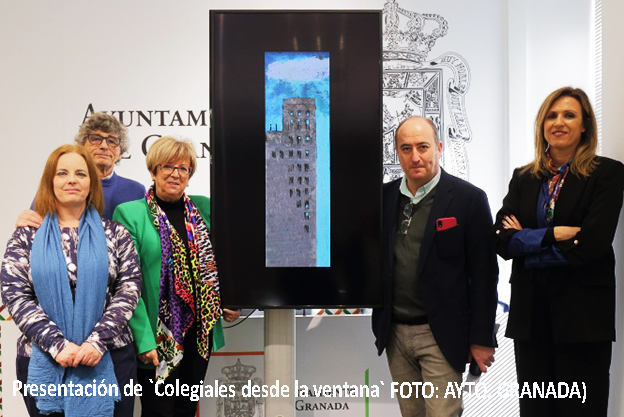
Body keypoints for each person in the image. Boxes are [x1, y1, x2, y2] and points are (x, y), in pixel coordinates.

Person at [493, 87, 624, 416]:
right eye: (551, 115)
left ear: (585, 126)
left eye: (569, 115)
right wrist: (553, 235)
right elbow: (501, 240)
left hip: (582, 318)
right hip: (531, 316)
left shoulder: (606, 174)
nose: (559, 122)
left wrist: (528, 241)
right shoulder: (523, 178)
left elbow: (591, 246)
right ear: (541, 124)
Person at [1, 145, 141, 416]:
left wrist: (96, 341)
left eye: (81, 173)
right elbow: (15, 295)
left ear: (92, 183)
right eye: (62, 173)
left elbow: (129, 288)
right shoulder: (26, 236)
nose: (72, 180)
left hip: (109, 354)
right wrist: (57, 344)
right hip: (43, 356)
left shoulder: (115, 234)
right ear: (49, 182)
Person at [372, 116, 499, 416]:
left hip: (442, 333)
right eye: (406, 148)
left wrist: (481, 338)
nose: (415, 156)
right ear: (397, 153)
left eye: (423, 147)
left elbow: (484, 275)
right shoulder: (383, 198)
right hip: (395, 333)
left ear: (439, 148)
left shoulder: (469, 200)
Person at [113, 136, 240, 417]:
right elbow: (125, 284)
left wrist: (233, 298)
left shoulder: (205, 208)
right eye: (168, 166)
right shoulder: (130, 214)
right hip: (157, 337)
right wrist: (143, 339)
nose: (176, 174)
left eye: (184, 168)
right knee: (159, 412)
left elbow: (228, 258)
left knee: (185, 410)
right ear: (153, 170)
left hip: (199, 334)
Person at [16, 112, 145, 227]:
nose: (104, 146)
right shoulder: (61, 186)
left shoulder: (136, 190)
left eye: (112, 141)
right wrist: (25, 225)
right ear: (81, 146)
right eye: (95, 139)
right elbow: (33, 226)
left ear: (121, 152)